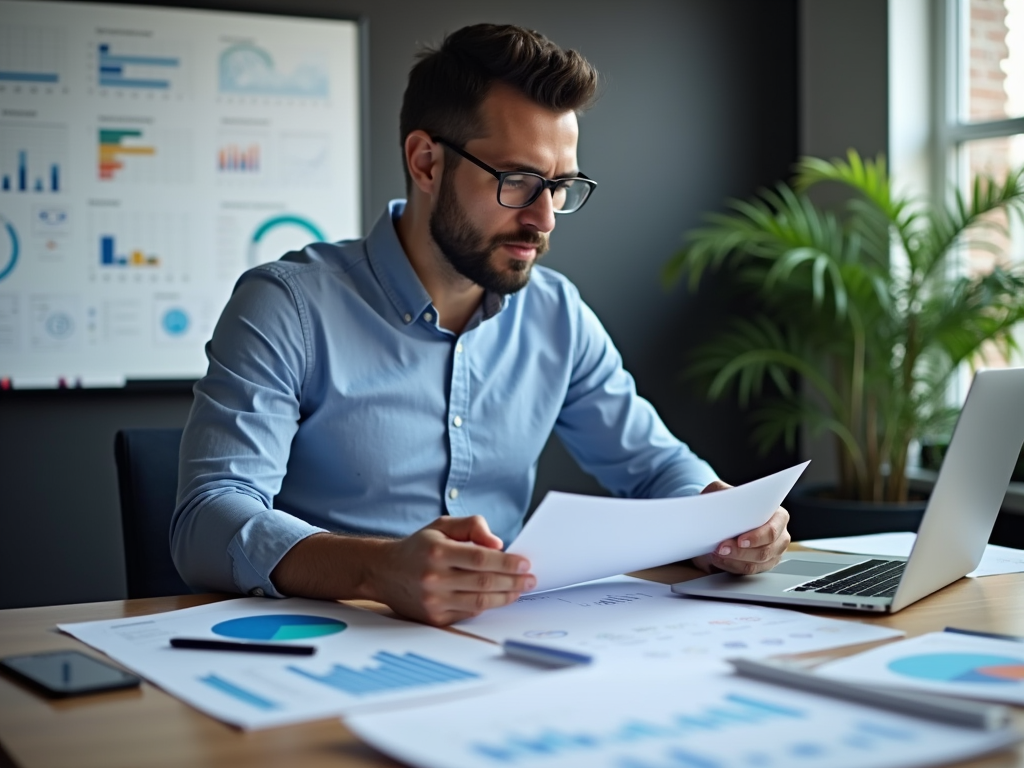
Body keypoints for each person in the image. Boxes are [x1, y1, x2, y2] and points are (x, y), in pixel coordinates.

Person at [171, 23, 790, 627]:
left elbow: (657, 469)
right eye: (518, 182)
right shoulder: (288, 305)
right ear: (426, 163)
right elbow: (207, 519)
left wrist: (724, 519)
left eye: (560, 186)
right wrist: (378, 570)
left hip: (502, 645)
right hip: (325, 646)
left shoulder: (556, 314)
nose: (544, 219)